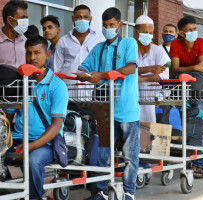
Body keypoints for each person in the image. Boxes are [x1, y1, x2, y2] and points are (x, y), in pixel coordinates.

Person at [79, 7, 139, 200]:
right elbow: (84, 67)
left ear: (119, 25)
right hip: (105, 110)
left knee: (130, 155)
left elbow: (130, 67)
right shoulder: (99, 48)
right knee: (103, 153)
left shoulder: (129, 43)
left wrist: (102, 75)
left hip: (127, 109)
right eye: (105, 26)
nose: (108, 29)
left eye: (111, 25)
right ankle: (101, 191)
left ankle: (129, 191)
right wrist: (85, 75)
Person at [4, 35, 68, 200]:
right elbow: (7, 117)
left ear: (47, 55)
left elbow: (56, 126)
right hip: (18, 140)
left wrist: (30, 146)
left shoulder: (57, 86)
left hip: (44, 143)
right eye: (29, 53)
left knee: (33, 161)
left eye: (37, 53)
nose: (32, 58)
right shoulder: (20, 83)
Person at [170, 16, 203, 178]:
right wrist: (193, 68)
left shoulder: (202, 42)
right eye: (189, 29)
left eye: (195, 29)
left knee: (198, 124)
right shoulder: (175, 44)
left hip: (199, 89)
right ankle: (188, 160)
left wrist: (185, 70)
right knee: (187, 125)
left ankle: (200, 164)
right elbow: (175, 67)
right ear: (181, 32)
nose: (193, 32)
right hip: (182, 90)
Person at [54, 4, 105, 85]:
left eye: (85, 17)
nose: (82, 20)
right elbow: (57, 69)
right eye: (79, 17)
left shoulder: (100, 39)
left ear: (90, 19)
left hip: (92, 91)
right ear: (73, 18)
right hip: (68, 89)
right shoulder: (63, 41)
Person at [135, 15, 169, 123]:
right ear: (136, 32)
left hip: (150, 95)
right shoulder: (129, 48)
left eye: (151, 33)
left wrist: (144, 78)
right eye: (145, 32)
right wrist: (149, 69)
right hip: (131, 93)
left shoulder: (158, 50)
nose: (148, 35)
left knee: (149, 127)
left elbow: (164, 73)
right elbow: (124, 69)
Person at [0, 0, 28, 66]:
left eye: (26, 18)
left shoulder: (25, 41)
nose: (25, 21)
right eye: (22, 18)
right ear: (10, 20)